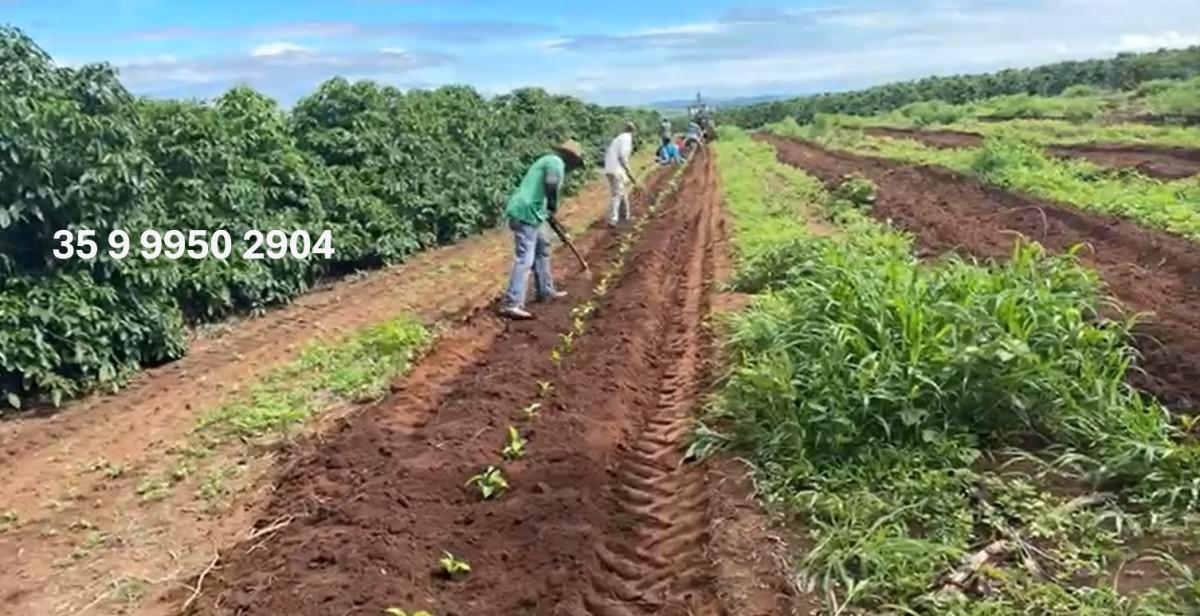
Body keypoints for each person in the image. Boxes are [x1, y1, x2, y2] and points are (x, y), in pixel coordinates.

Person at [498, 139, 586, 320]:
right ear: (569, 159)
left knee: (543, 248)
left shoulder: (550, 161)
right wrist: (553, 206)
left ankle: (546, 290)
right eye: (574, 165)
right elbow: (551, 184)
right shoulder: (555, 162)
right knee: (525, 258)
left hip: (533, 213)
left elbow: (543, 192)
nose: (572, 169)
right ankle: (512, 303)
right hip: (525, 213)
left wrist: (549, 213)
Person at [603, 122, 637, 227]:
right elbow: (622, 157)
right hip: (616, 170)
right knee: (617, 194)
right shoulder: (627, 139)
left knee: (622, 193)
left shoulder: (619, 138)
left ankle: (625, 216)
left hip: (610, 168)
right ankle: (613, 219)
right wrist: (628, 170)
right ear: (634, 131)